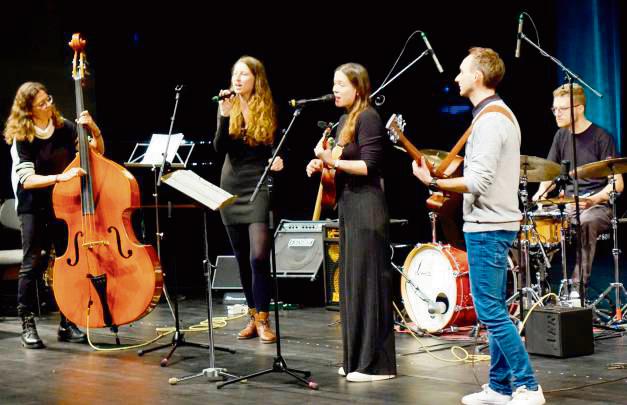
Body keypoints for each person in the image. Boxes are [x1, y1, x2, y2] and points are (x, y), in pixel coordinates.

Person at [412, 48, 545, 404]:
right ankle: (501, 388)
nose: (456, 78)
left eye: (461, 71)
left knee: (490, 312)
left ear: (478, 76)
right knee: (496, 308)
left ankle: (528, 386)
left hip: (488, 225)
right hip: (491, 222)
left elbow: (479, 180)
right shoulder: (493, 115)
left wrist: (434, 183)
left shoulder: (490, 120)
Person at [306, 63, 396, 383]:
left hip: (367, 207)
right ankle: (356, 359)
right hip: (349, 206)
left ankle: (377, 365)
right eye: (334, 83)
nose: (335, 89)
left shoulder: (369, 117)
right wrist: (323, 164)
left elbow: (370, 166)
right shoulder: (344, 120)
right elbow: (341, 166)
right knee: (352, 285)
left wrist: (333, 160)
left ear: (358, 88)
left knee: (369, 284)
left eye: (341, 84)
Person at [4, 81, 105, 349]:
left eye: (48, 99)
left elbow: (96, 153)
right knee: (33, 264)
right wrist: (62, 177)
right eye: (42, 104)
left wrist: (93, 128)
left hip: (63, 204)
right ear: (28, 111)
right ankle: (26, 321)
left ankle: (67, 321)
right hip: (33, 206)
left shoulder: (63, 128)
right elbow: (26, 179)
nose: (49, 105)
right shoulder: (22, 137)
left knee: (64, 264)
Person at [213, 56, 284, 344]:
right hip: (231, 184)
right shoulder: (227, 106)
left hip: (258, 186)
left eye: (244, 75)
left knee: (258, 256)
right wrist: (224, 114)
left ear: (256, 78)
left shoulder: (267, 107)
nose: (238, 79)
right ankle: (253, 317)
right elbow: (220, 147)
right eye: (235, 74)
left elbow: (273, 144)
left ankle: (265, 318)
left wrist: (279, 159)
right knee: (242, 258)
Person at [532, 83, 623, 300]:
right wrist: (540, 195)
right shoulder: (560, 136)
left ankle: (576, 289)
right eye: (555, 109)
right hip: (567, 203)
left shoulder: (602, 137)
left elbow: (617, 184)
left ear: (580, 108)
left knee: (586, 221)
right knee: (530, 221)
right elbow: (550, 174)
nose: (557, 113)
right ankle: (535, 289)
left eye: (562, 108)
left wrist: (592, 200)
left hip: (597, 206)